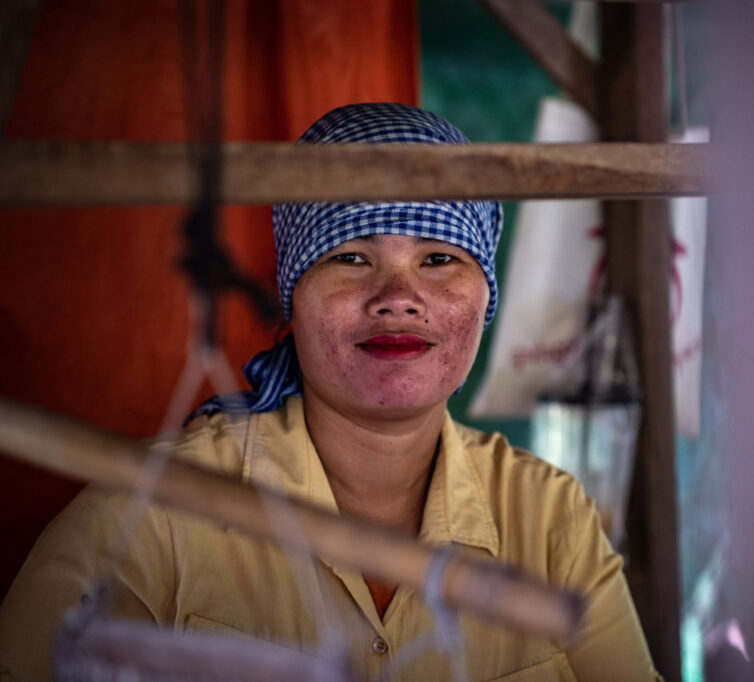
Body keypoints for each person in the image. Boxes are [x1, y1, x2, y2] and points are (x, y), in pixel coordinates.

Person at [0, 103, 661, 681]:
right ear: (293, 291)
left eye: (439, 259)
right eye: (350, 257)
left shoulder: (550, 520)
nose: (399, 299)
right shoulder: (154, 512)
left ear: (486, 295)